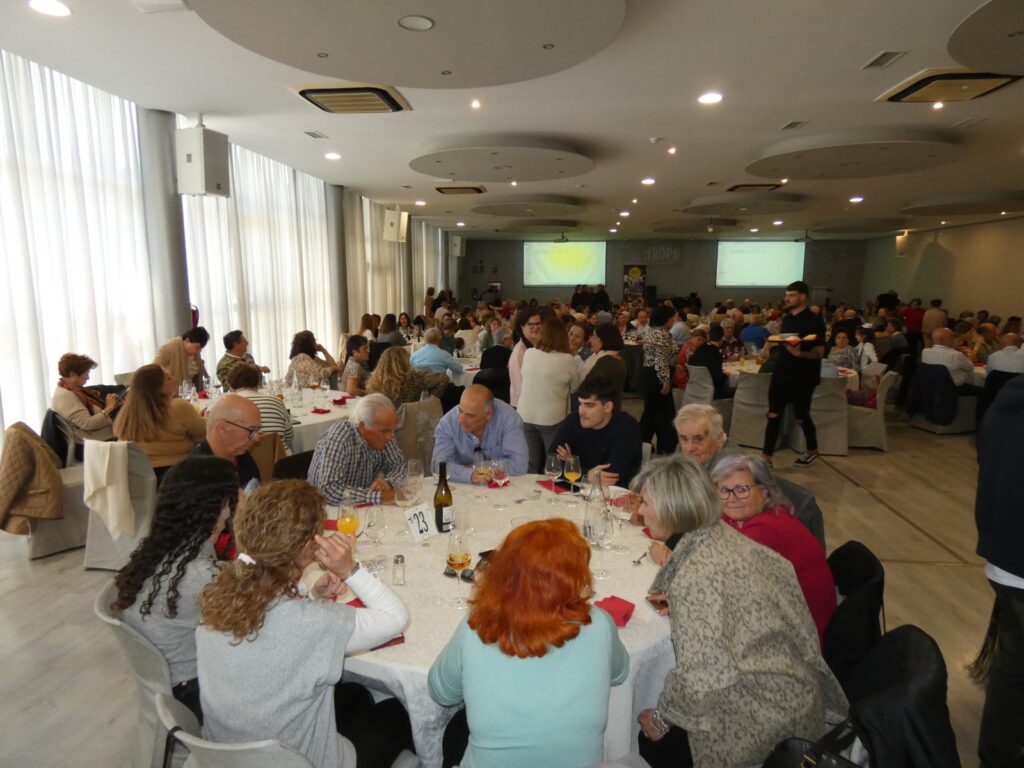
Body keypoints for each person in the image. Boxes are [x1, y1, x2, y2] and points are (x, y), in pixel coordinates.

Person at [631, 455, 846, 768]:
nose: (639, 512)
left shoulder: (698, 574)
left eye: (644, 503)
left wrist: (661, 721)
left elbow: (702, 679)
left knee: (646, 743)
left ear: (670, 508)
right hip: (798, 693)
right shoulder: (723, 536)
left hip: (765, 720)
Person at [197, 480, 412, 768]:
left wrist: (309, 594)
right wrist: (349, 569)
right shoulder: (311, 623)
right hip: (300, 761)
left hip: (226, 756)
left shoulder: (218, 598)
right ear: (309, 545)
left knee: (355, 694)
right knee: (398, 710)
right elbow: (395, 618)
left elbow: (273, 625)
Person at [429, 518, 629, 768]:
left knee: (455, 733)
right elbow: (620, 673)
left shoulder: (478, 625)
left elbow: (441, 692)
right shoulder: (599, 623)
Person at [111, 456, 240, 721]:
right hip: (194, 692)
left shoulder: (161, 551)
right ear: (221, 506)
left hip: (169, 681)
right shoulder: (198, 574)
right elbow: (258, 618)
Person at [709, 454, 836, 644]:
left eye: (742, 489)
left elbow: (721, 584)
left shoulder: (767, 530)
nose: (731, 498)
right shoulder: (757, 511)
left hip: (799, 639)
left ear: (765, 490)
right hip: (778, 614)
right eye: (724, 490)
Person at [972, 374, 1024, 767]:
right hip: (1017, 557)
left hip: (1005, 555)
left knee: (1014, 660)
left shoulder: (1008, 400)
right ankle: (1001, 754)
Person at [762, 281, 827, 468]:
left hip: (803, 376)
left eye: (791, 295)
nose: (787, 298)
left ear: (803, 296)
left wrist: (800, 353)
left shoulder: (815, 321)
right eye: (786, 295)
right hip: (782, 373)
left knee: (801, 415)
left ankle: (812, 450)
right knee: (773, 414)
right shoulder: (787, 318)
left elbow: (820, 351)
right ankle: (766, 456)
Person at [307, 393, 405, 504]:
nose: (390, 437)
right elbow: (328, 491)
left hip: (358, 506)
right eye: (384, 431)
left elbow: (398, 465)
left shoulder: (383, 433)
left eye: (392, 430)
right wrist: (378, 497)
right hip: (320, 508)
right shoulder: (339, 438)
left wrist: (389, 483)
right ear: (362, 426)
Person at [113, 364, 206, 478]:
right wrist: (206, 418)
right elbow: (204, 432)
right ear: (156, 387)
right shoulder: (177, 406)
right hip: (176, 472)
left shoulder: (128, 412)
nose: (174, 379)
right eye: (168, 378)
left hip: (138, 475)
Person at [552, 377, 643, 488]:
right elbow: (552, 464)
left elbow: (610, 477)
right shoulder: (573, 420)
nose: (582, 411)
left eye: (589, 405)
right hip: (573, 492)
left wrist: (572, 464)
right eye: (580, 404)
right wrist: (587, 475)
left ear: (608, 407)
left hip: (612, 497)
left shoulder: (627, 428)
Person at [517, 318, 581, 472]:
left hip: (525, 414)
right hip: (551, 417)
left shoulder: (529, 353)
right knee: (552, 463)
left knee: (530, 463)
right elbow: (576, 387)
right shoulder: (567, 359)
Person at [432, 384, 529, 483]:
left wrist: (478, 467)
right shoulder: (447, 423)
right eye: (460, 411)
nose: (461, 419)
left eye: (470, 416)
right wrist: (470, 474)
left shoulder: (509, 419)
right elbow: (439, 466)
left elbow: (519, 465)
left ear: (488, 414)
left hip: (503, 486)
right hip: (462, 487)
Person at [187, 393, 262, 488]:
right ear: (223, 428)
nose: (257, 438)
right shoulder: (193, 475)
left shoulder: (242, 456)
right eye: (251, 430)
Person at [51, 352, 118, 445]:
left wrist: (112, 405)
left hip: (99, 436)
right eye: (86, 374)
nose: (88, 377)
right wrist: (108, 408)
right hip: (93, 443)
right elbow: (88, 424)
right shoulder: (65, 396)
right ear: (73, 374)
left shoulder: (75, 390)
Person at [226, 363, 294, 453]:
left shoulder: (226, 405)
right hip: (280, 461)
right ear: (258, 383)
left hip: (243, 463)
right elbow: (289, 436)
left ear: (231, 386)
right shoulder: (277, 401)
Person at [639, 305, 679, 455]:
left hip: (652, 374)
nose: (674, 321)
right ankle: (666, 448)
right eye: (672, 318)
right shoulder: (661, 335)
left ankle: (642, 443)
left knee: (652, 413)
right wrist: (665, 380)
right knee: (664, 414)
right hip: (657, 376)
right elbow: (660, 360)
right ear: (666, 319)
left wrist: (675, 364)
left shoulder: (655, 332)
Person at [366, 346, 450, 407]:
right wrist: (432, 398)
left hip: (385, 420)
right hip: (410, 420)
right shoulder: (415, 377)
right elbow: (443, 379)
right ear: (405, 360)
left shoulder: (375, 381)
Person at [508, 306, 549, 408]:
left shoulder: (541, 346)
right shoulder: (518, 353)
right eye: (530, 324)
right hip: (523, 407)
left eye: (538, 323)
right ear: (522, 327)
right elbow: (519, 389)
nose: (535, 327)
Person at [580, 324, 628, 411]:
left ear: (605, 340)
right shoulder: (618, 358)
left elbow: (587, 389)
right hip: (611, 409)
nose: (590, 340)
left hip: (601, 412)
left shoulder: (604, 362)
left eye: (594, 337)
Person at [674, 403, 730, 470]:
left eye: (698, 439)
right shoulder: (679, 449)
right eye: (684, 439)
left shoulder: (730, 469)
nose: (689, 448)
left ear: (719, 439)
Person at [154, 326, 211, 391]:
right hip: (171, 395)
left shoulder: (195, 354)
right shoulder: (168, 348)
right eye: (197, 347)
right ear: (187, 341)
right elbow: (154, 369)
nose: (199, 351)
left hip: (190, 394)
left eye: (201, 349)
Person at [687, 324, 730, 397]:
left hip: (695, 388)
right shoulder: (716, 354)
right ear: (722, 338)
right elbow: (717, 380)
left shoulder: (699, 349)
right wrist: (726, 376)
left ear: (709, 337)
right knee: (737, 388)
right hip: (712, 391)